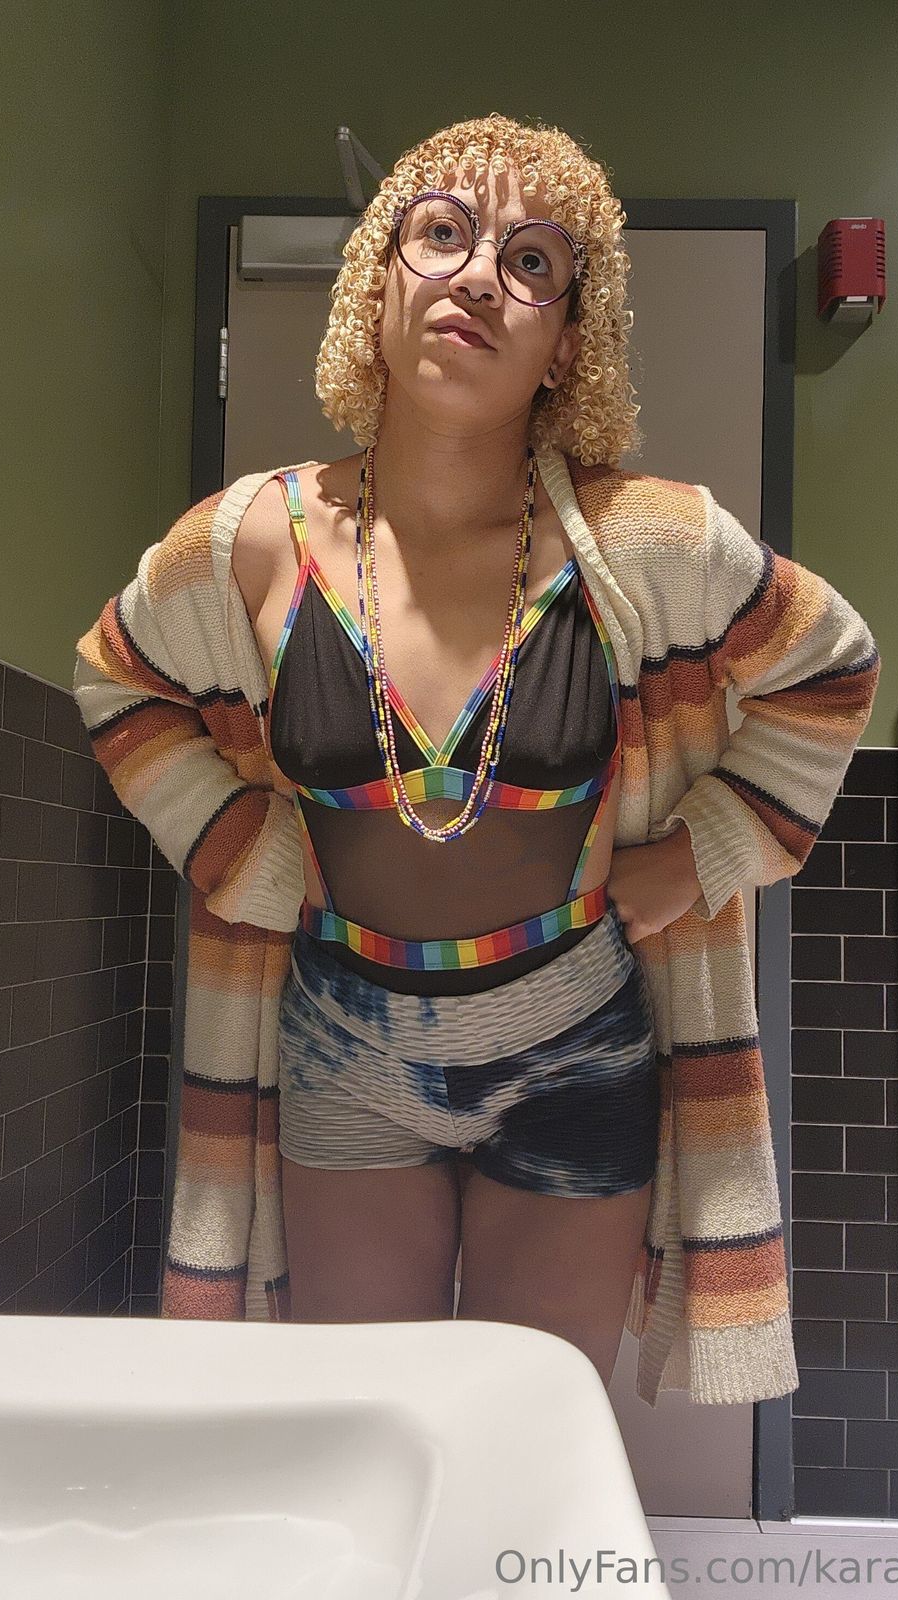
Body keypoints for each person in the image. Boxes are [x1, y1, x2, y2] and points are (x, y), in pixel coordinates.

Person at [230, 113, 676, 1389]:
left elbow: (833, 665)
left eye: (532, 261)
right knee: (361, 1427)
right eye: (442, 234)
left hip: (574, 1041)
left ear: (566, 342)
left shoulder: (634, 542)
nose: (480, 274)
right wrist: (239, 854)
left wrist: (710, 851)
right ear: (378, 285)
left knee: (533, 1429)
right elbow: (118, 676)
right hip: (343, 1045)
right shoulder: (262, 535)